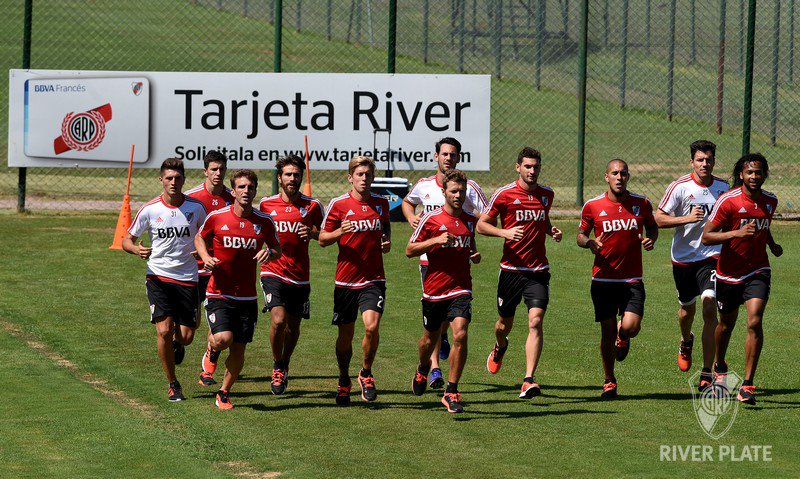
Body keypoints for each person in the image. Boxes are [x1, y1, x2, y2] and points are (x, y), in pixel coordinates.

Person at [401, 137, 487, 389]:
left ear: (458, 158)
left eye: (453, 154)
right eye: (444, 154)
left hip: (459, 266)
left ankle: (449, 386)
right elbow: (408, 203)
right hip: (430, 262)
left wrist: (471, 244)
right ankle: (430, 368)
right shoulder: (424, 186)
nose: (448, 158)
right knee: (432, 331)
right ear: (436, 156)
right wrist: (412, 220)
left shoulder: (469, 188)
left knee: (459, 329)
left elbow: (484, 216)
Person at [477, 147, 562, 398]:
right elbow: (482, 224)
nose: (532, 171)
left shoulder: (547, 194)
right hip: (511, 270)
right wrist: (504, 233)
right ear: (518, 167)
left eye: (536, 167)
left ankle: (528, 379)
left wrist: (551, 231)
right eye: (527, 166)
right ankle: (500, 346)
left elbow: (541, 220)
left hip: (538, 271)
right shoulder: (504, 194)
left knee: (535, 322)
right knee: (504, 325)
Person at [195, 169, 281, 410]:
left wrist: (270, 252)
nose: (246, 191)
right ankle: (212, 348)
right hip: (218, 292)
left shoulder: (263, 221)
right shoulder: (217, 217)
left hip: (247, 297)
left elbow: (277, 248)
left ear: (255, 191)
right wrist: (205, 256)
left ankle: (224, 392)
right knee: (224, 338)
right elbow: (200, 238)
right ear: (232, 191)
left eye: (250, 187)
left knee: (239, 348)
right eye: (241, 187)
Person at [122, 158, 207, 402]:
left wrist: (203, 249)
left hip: (188, 278)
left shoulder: (196, 208)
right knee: (163, 330)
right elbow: (127, 239)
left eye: (177, 178)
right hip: (158, 276)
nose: (173, 182)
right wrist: (135, 250)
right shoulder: (150, 209)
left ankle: (177, 344)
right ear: (161, 180)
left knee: (187, 336)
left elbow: (210, 234)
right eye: (168, 178)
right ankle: (173, 384)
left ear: (183, 180)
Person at [701, 153, 781, 405]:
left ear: (764, 174)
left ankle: (747, 384)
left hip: (758, 270)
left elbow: (763, 227)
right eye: (750, 172)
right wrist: (737, 232)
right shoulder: (728, 201)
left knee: (755, 321)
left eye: (758, 172)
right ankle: (720, 366)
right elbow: (707, 237)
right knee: (725, 325)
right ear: (741, 175)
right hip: (728, 273)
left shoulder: (770, 201)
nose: (754, 176)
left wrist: (772, 244)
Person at [576, 159, 658, 399]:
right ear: (606, 177)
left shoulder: (641, 203)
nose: (619, 177)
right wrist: (589, 243)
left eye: (623, 173)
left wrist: (651, 239)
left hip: (632, 279)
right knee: (607, 331)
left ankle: (625, 335)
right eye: (615, 173)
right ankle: (609, 380)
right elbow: (580, 235)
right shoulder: (593, 205)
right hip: (603, 280)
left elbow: (653, 227)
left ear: (628, 177)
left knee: (631, 327)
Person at [655, 141, 728, 391]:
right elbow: (658, 218)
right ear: (691, 163)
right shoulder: (679, 187)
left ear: (714, 162)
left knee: (710, 310)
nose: (704, 164)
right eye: (699, 160)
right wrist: (687, 218)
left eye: (708, 159)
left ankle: (706, 372)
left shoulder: (724, 188)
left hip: (713, 257)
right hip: (684, 259)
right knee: (687, 311)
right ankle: (686, 340)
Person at [320, 156, 391, 406]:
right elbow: (322, 239)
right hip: (346, 282)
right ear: (350, 177)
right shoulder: (338, 204)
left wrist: (386, 242)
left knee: (371, 327)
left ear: (372, 177)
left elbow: (385, 232)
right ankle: (343, 379)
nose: (363, 178)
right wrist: (341, 231)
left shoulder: (381, 204)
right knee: (345, 336)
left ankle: (366, 373)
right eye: (359, 174)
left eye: (368, 174)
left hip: (373, 279)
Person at [408, 169, 481, 413]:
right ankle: (422, 368)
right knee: (429, 339)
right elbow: (410, 249)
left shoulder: (471, 221)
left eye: (462, 191)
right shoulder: (431, 220)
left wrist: (473, 254)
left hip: (461, 288)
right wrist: (434, 241)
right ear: (444, 192)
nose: (458, 195)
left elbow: (469, 247)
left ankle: (451, 390)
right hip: (434, 290)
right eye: (454, 191)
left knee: (460, 334)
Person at [259, 155, 324, 395]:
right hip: (272, 272)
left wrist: (313, 234)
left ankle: (285, 363)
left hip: (300, 276)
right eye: (288, 174)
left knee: (293, 328)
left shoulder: (313, 206)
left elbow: (328, 235)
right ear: (279, 178)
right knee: (278, 321)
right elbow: (260, 233)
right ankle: (277, 365)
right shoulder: (266, 204)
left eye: (296, 174)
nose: (292, 178)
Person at [185, 150, 234, 387]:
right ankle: (176, 339)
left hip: (218, 270)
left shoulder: (232, 198)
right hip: (191, 269)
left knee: (216, 322)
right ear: (205, 171)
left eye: (221, 169)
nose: (218, 173)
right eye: (213, 169)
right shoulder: (191, 197)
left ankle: (208, 368)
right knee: (189, 329)